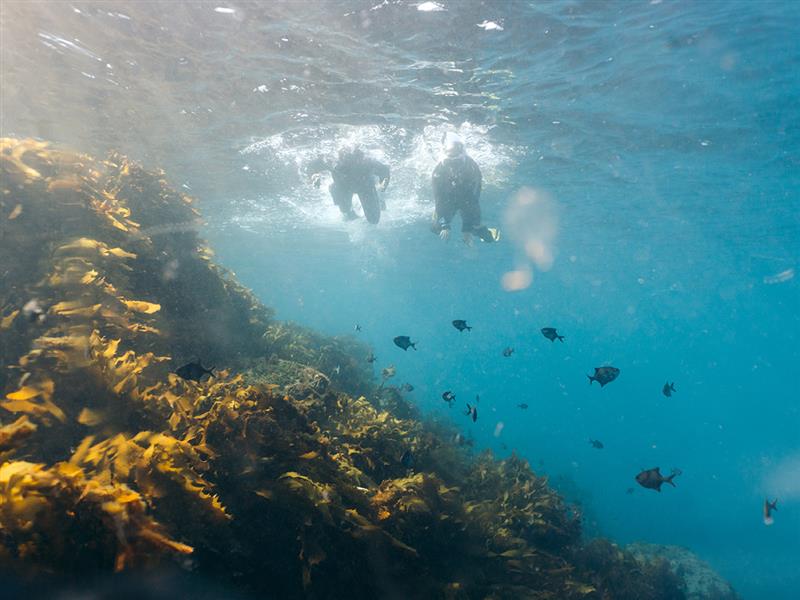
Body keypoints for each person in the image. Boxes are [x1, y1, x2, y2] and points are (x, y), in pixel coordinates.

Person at [430, 132, 499, 244]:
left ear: (462, 152)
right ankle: (440, 219)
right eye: (450, 159)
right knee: (436, 228)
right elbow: (439, 199)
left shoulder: (472, 167)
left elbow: (474, 199)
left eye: (456, 158)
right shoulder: (438, 172)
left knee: (481, 232)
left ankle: (483, 231)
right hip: (448, 200)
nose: (453, 165)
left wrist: (467, 228)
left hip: (467, 198)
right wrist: (444, 224)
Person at [307, 146, 390, 224]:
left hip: (365, 187)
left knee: (374, 220)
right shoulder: (332, 161)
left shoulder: (367, 161)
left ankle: (379, 199)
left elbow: (385, 171)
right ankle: (347, 209)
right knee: (345, 211)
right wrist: (314, 176)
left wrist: (382, 186)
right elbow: (313, 166)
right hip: (343, 187)